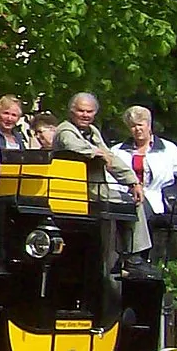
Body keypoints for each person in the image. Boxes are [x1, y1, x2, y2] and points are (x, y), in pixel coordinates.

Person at [54, 92, 150, 257]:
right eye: (81, 111)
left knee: (135, 200)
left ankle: (133, 255)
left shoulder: (91, 131)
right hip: (72, 192)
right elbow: (72, 145)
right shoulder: (65, 130)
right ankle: (132, 257)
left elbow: (110, 158)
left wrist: (133, 182)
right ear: (72, 111)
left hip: (94, 190)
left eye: (89, 112)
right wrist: (97, 152)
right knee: (130, 205)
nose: (85, 115)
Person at [113, 107, 177, 218]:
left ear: (149, 126)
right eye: (133, 126)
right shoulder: (117, 151)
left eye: (140, 125)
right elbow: (109, 177)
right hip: (125, 201)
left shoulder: (167, 148)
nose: (137, 129)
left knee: (143, 209)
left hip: (158, 203)